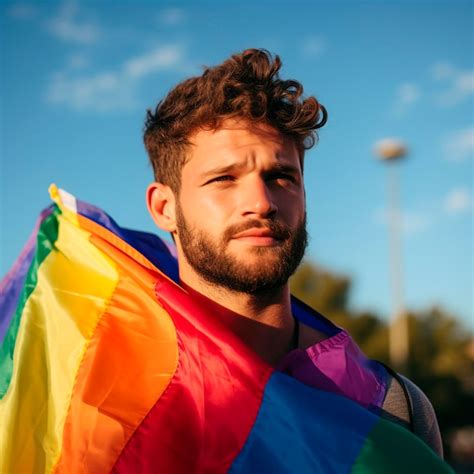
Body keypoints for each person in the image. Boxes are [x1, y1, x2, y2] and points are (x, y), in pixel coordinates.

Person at [143, 48, 443, 457]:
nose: (262, 202)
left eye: (281, 176)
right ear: (165, 207)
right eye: (224, 178)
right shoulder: (111, 392)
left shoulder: (390, 407)